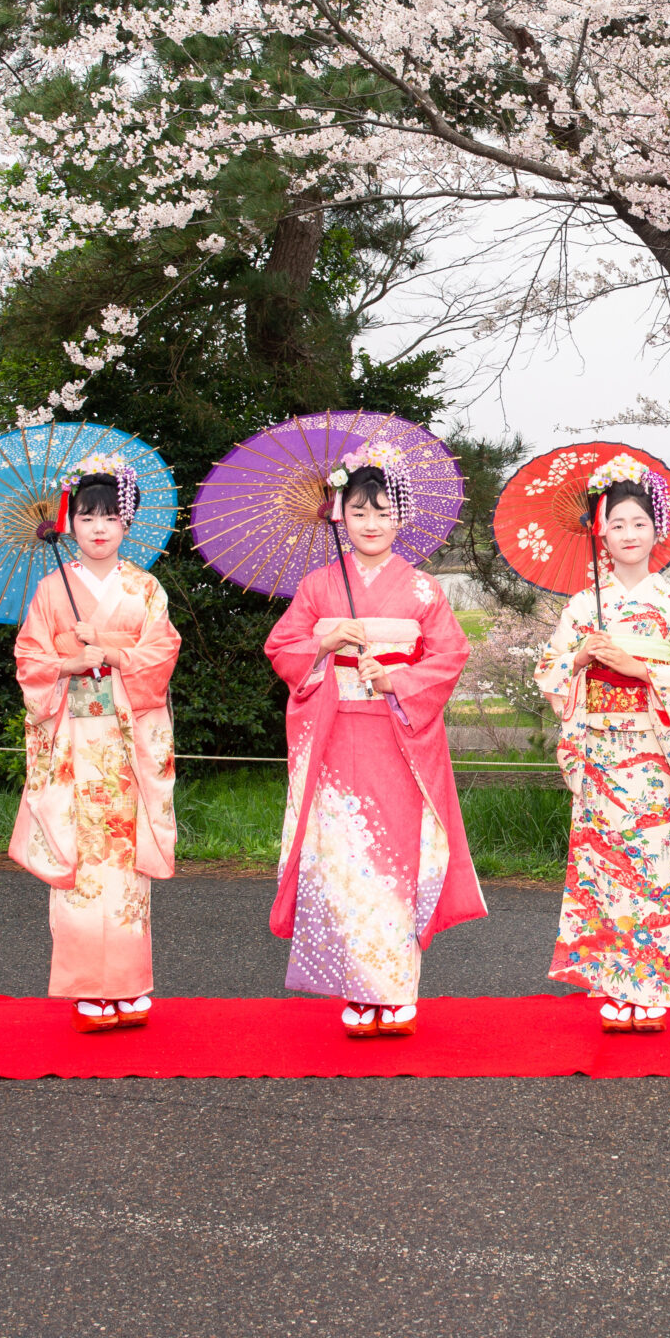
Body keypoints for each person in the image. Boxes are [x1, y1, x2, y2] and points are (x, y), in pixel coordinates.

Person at [263, 443, 486, 1036]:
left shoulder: (423, 590)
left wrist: (396, 679)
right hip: (336, 739)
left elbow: (450, 655)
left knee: (394, 858)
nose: (370, 523)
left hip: (396, 740)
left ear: (401, 516)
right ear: (340, 514)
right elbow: (282, 646)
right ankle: (357, 992)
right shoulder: (318, 586)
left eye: (384, 512)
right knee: (345, 859)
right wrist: (324, 642)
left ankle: (394, 989)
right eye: (359, 511)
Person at [533, 454, 670, 1032]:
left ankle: (649, 989)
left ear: (657, 531)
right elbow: (547, 672)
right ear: (600, 534)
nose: (629, 533)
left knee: (650, 867)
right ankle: (614, 984)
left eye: (640, 522)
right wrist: (580, 658)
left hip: (652, 753)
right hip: (598, 752)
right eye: (617, 524)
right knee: (602, 867)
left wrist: (639, 669)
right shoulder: (582, 606)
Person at [11, 455, 181, 1033]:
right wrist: (68, 662)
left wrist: (109, 652)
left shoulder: (145, 587)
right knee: (80, 857)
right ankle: (87, 986)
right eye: (86, 516)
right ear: (69, 522)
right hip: (73, 739)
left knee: (124, 862)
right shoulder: (50, 589)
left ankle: (128, 984)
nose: (98, 527)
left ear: (127, 521)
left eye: (110, 516)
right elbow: (29, 659)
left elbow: (162, 654)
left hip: (127, 741)